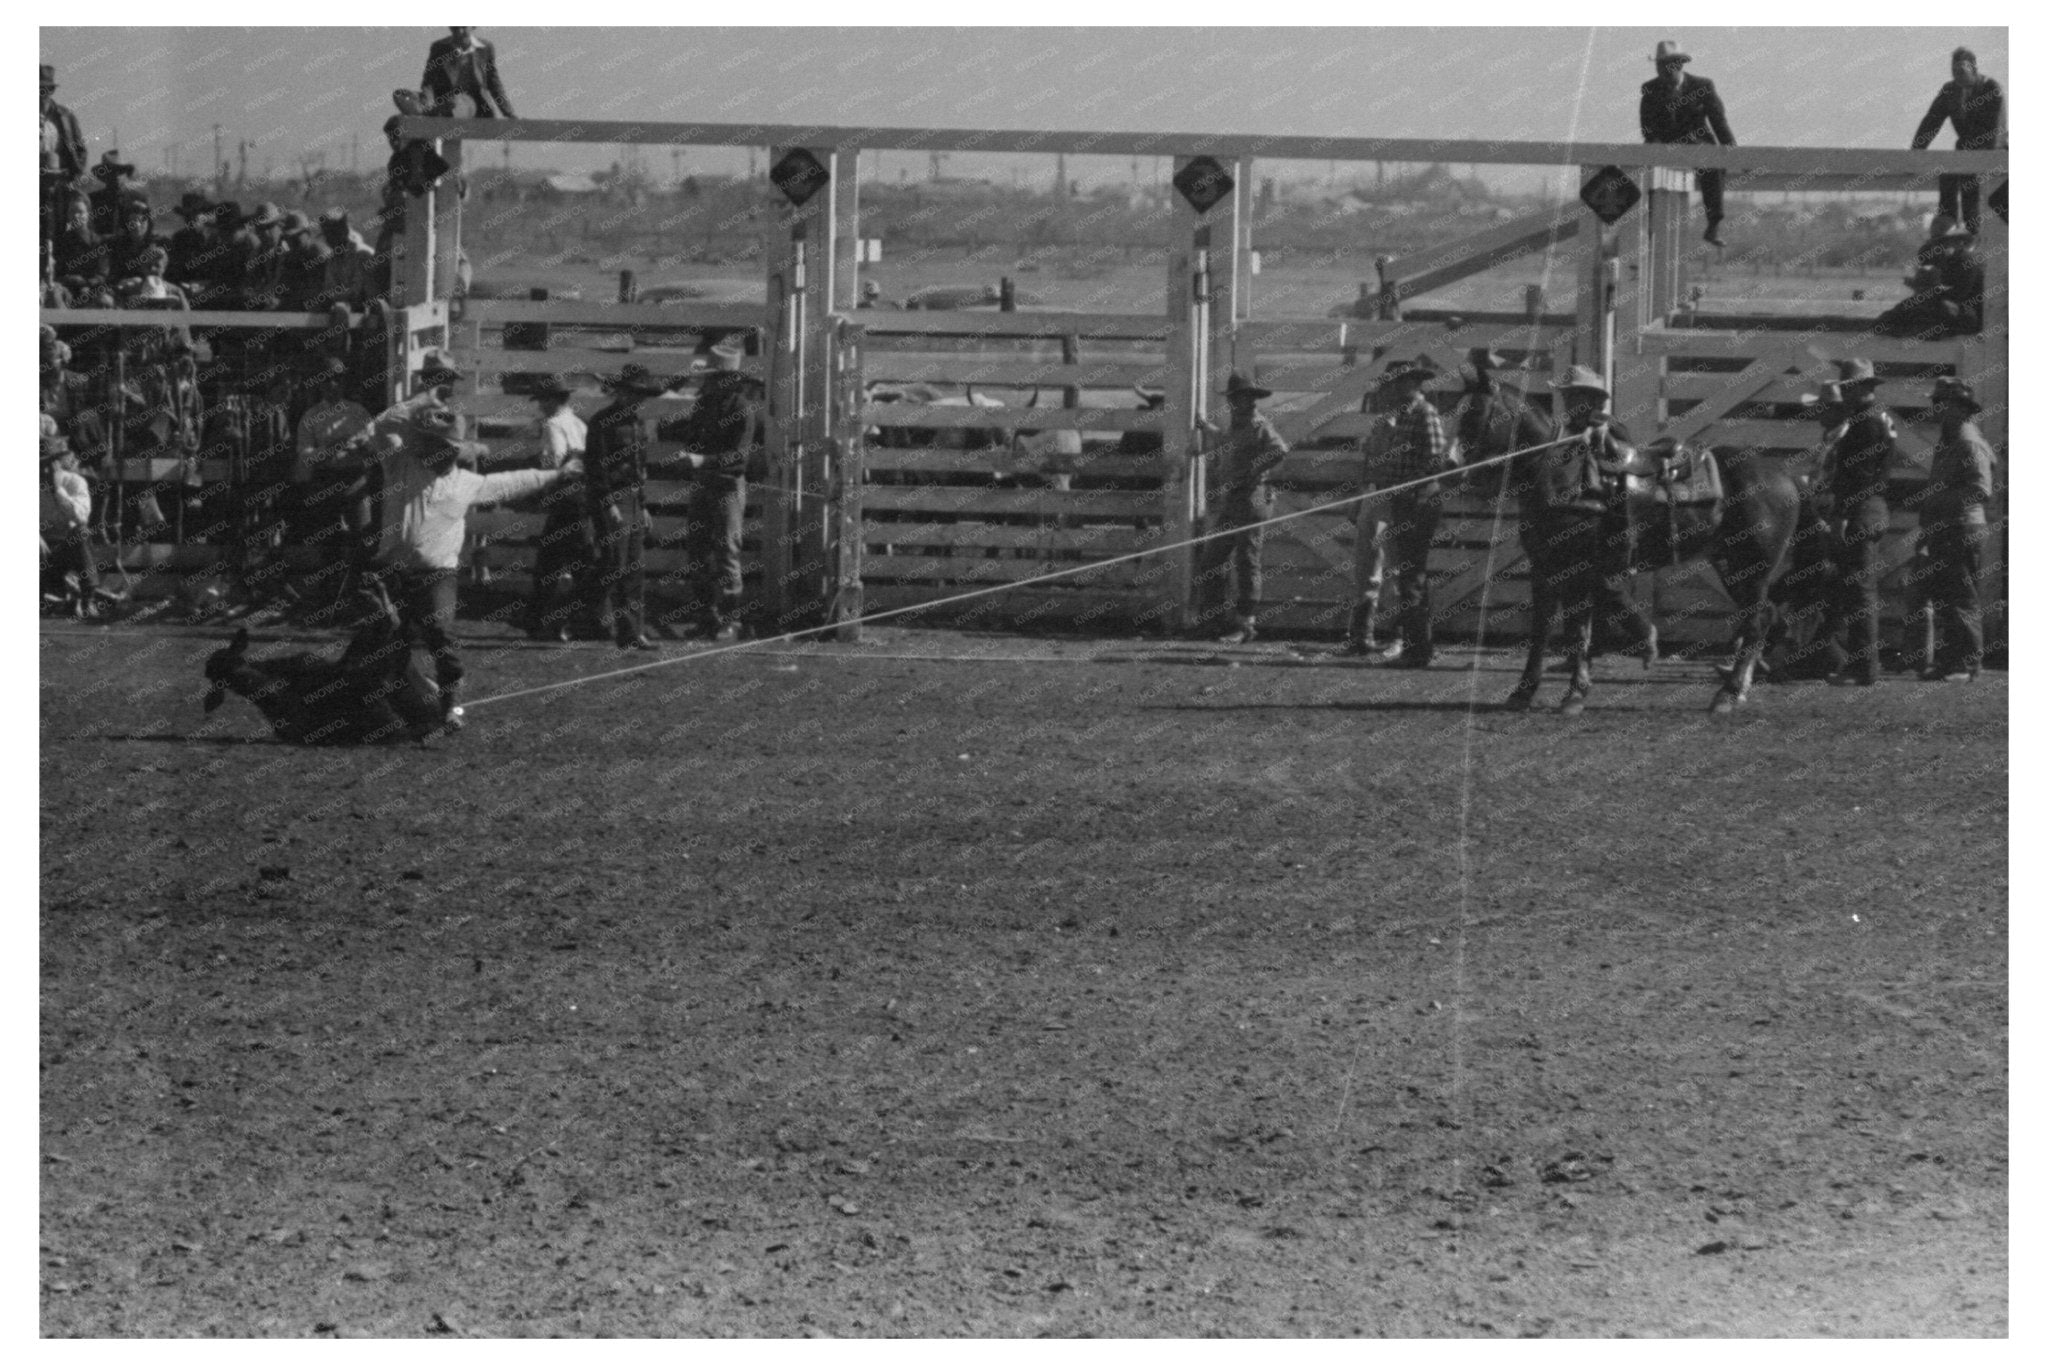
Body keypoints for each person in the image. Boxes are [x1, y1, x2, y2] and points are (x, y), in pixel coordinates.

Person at [354, 404, 576, 723]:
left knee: (440, 634)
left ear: (454, 451)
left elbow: (512, 481)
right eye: (432, 444)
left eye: (445, 447)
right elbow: (380, 425)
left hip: (437, 574)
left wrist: (556, 475)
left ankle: (449, 700)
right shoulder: (399, 464)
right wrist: (422, 411)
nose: (439, 453)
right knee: (391, 644)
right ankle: (412, 707)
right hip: (393, 572)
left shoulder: (466, 482)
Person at [1550, 366, 1659, 665]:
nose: (1568, 401)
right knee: (1575, 587)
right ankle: (1580, 655)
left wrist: (1600, 438)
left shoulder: (1607, 424)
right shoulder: (1564, 429)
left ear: (1590, 398)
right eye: (1566, 395)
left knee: (1605, 584)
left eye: (1574, 395)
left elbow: (1625, 456)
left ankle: (1643, 633)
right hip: (1577, 519)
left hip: (1608, 522)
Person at [1363, 357, 1457, 668]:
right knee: (1408, 575)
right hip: (1405, 500)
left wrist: (1406, 484)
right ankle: (1417, 646)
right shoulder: (1402, 415)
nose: (1390, 389)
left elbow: (1434, 461)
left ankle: (1418, 651)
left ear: (1411, 384)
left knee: (1413, 575)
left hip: (1419, 501)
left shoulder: (1424, 413)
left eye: (1397, 383)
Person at [1910, 377, 1997, 681]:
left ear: (1957, 407)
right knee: (1948, 595)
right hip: (1948, 526)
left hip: (1961, 526)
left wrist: (1938, 502)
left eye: (1939, 403)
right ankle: (1952, 662)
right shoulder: (1951, 439)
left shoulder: (1967, 440)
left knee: (1960, 595)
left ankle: (1967, 664)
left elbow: (1981, 489)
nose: (1934, 408)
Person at [673, 337, 760, 640]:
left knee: (726, 551)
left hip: (727, 488)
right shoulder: (704, 405)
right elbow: (694, 439)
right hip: (708, 484)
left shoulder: (743, 410)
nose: (708, 384)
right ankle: (708, 616)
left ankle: (729, 619)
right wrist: (691, 454)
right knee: (698, 550)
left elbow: (739, 458)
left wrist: (700, 459)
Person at [1194, 372, 1290, 643]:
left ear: (1250, 400)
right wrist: (1207, 429)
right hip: (1236, 498)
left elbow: (1279, 449)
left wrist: (1253, 469)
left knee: (1247, 560)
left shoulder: (1258, 424)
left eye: (1242, 398)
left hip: (1252, 496)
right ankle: (1214, 620)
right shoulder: (1238, 425)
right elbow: (1228, 441)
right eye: (1235, 398)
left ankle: (1245, 624)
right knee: (1213, 559)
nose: (1236, 402)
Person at [1821, 359, 1898, 687]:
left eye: (1850, 388)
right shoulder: (1879, 418)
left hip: (1862, 509)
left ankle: (1863, 667)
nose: (1847, 394)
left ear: (1860, 389)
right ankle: (1857, 664)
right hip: (1873, 506)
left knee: (1860, 592)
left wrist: (1842, 513)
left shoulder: (1864, 423)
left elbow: (1858, 475)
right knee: (1858, 589)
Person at [583, 364, 666, 650]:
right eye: (635, 393)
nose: (639, 399)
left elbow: (639, 468)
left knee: (632, 567)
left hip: (631, 499)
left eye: (641, 395)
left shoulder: (637, 423)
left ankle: (632, 629)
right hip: (613, 500)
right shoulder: (601, 422)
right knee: (615, 566)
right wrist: (609, 504)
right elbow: (595, 467)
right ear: (621, 392)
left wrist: (642, 505)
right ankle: (612, 625)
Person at [1639, 39, 1737, 247]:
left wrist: (1732, 152)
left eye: (1667, 65)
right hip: (1665, 145)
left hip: (1699, 144)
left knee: (1713, 164)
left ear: (1680, 65)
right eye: (1660, 65)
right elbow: (1647, 127)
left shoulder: (1703, 86)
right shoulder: (1650, 89)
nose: (1663, 71)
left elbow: (1719, 122)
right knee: (1645, 172)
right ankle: (1647, 224)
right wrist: (1656, 147)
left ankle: (1713, 224)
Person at [522, 375, 591, 641]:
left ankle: (543, 620)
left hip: (563, 496)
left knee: (551, 563)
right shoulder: (578, 423)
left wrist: (542, 484)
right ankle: (578, 618)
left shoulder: (552, 425)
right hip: (581, 496)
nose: (540, 406)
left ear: (551, 400)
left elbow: (554, 464)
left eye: (542, 400)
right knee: (578, 559)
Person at [1911, 47, 2006, 235]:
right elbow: (1932, 121)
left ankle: (1973, 230)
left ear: (1974, 69)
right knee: (1947, 173)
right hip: (1964, 150)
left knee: (1972, 192)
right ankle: (1947, 221)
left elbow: (1997, 130)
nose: (1958, 77)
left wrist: (1983, 160)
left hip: (1992, 151)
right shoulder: (1950, 91)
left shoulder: (1991, 88)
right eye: (1954, 72)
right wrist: (1916, 151)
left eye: (1961, 72)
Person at [294, 358, 376, 557]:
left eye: (337, 379)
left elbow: (377, 445)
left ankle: (359, 583)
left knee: (362, 536)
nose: (332, 384)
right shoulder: (311, 416)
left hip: (355, 479)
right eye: (327, 380)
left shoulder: (358, 412)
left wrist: (363, 446)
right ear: (320, 384)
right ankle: (330, 583)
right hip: (325, 480)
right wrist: (328, 449)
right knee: (328, 541)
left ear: (344, 382)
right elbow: (304, 454)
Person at [41, 433, 101, 618]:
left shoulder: (75, 482)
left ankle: (87, 599)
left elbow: (81, 516)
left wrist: (58, 490)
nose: (44, 470)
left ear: (57, 463)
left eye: (48, 464)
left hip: (66, 549)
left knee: (81, 532)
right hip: (39, 551)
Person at [40, 65, 88, 268]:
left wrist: (75, 175)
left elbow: (80, 150)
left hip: (59, 180)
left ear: (51, 91)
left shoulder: (65, 117)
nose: (41, 94)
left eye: (45, 89)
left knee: (61, 227)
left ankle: (58, 274)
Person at [420, 27, 516, 118]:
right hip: (449, 104)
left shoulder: (486, 48)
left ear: (472, 27)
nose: (459, 32)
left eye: (463, 27)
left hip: (479, 107)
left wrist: (509, 113)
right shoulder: (439, 48)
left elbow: (494, 83)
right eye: (455, 27)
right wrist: (428, 105)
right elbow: (429, 82)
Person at [318, 209, 376, 309]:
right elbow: (329, 289)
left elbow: (357, 292)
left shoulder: (363, 255)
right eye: (326, 234)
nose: (328, 239)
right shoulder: (332, 259)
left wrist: (334, 297)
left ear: (344, 231)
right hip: (342, 309)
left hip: (364, 313)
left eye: (332, 233)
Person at [164, 191, 215, 291]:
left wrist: (202, 285)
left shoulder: (214, 239)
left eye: (194, 217)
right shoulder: (179, 238)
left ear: (204, 216)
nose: (190, 221)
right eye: (187, 217)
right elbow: (173, 269)